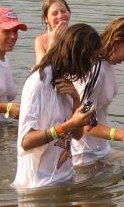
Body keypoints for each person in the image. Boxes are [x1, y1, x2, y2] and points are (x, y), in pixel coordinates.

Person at [13, 23, 102, 189]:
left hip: (65, 178)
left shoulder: (65, 81)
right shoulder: (37, 83)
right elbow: (26, 141)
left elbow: (76, 135)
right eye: (92, 59)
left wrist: (76, 100)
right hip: (38, 187)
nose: (92, 66)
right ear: (79, 55)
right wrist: (68, 125)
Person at [71, 14, 124, 167]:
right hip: (82, 157)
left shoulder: (107, 65)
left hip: (100, 150)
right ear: (116, 42)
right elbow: (81, 122)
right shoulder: (95, 70)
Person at [35, 0, 71, 65]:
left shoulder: (78, 35)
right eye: (55, 13)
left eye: (63, 11)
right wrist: (52, 42)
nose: (60, 16)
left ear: (69, 12)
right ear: (46, 19)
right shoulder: (41, 41)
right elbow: (40, 72)